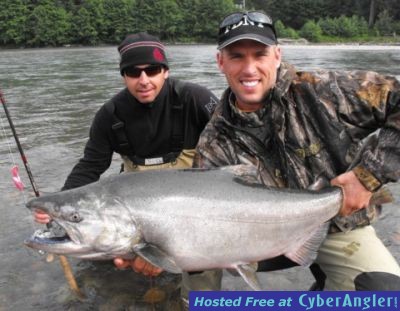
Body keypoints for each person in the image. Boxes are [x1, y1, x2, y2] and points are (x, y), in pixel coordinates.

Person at [193, 11, 400, 290]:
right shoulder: (213, 143)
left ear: (277, 55)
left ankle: (326, 289)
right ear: (221, 62)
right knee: (193, 268)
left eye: (259, 54)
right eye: (237, 56)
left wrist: (368, 176)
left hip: (338, 225)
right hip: (258, 240)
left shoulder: (325, 92)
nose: (249, 68)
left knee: (385, 295)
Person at [33, 32, 219, 282]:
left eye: (152, 70)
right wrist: (59, 205)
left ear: (165, 71)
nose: (143, 80)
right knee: (108, 267)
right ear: (123, 76)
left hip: (190, 202)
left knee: (199, 275)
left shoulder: (196, 99)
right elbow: (91, 165)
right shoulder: (109, 115)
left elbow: (231, 144)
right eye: (133, 72)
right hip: (135, 207)